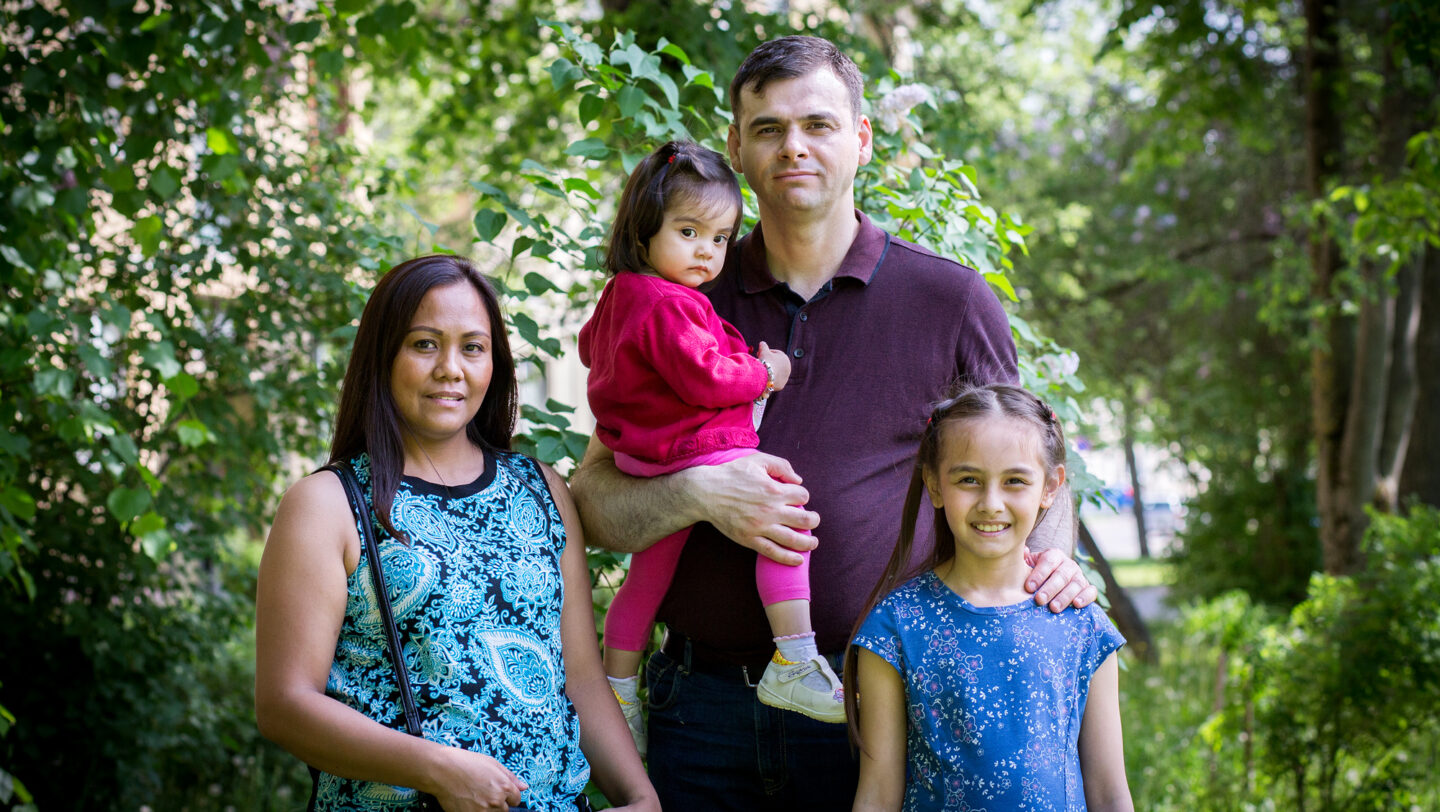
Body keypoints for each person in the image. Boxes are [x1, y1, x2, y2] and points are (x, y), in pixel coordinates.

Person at [569, 36, 1097, 808]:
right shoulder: (676, 297)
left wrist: (1051, 566)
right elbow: (595, 503)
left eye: (817, 124)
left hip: (878, 702)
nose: (794, 148)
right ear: (736, 149)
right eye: (769, 128)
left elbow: (1034, 473)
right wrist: (702, 495)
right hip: (701, 713)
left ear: (861, 138)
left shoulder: (949, 301)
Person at [254, 255, 659, 812]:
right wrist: (442, 771)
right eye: (424, 344)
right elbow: (284, 705)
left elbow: (582, 678)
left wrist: (640, 797)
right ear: (383, 355)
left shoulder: (540, 489)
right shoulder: (327, 506)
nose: (451, 367)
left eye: (472, 346)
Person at [578, 140, 847, 755]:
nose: (706, 251)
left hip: (646, 451)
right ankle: (795, 659)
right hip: (688, 445)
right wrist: (765, 374)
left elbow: (589, 346)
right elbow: (704, 377)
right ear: (646, 230)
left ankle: (618, 689)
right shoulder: (667, 301)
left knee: (648, 575)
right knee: (781, 508)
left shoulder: (623, 293)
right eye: (689, 231)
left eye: (721, 238)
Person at [847, 384, 1132, 811]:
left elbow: (1109, 791)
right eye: (969, 480)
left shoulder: (1081, 622)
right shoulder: (896, 627)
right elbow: (878, 791)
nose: (991, 503)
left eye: (1015, 480)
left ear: (1051, 487)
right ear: (935, 484)